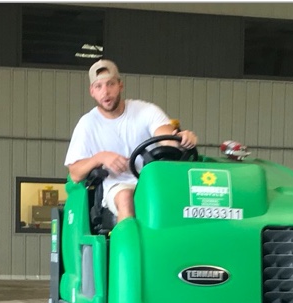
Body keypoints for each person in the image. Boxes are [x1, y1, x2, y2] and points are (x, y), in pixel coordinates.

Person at [64, 59, 198, 224]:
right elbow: (75, 173)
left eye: (110, 84)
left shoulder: (145, 111)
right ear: (92, 91)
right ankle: (129, 249)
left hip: (154, 182)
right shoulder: (87, 124)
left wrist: (182, 139)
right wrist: (100, 157)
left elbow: (166, 137)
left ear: (120, 85)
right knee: (126, 198)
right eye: (99, 87)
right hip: (119, 186)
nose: (105, 92)